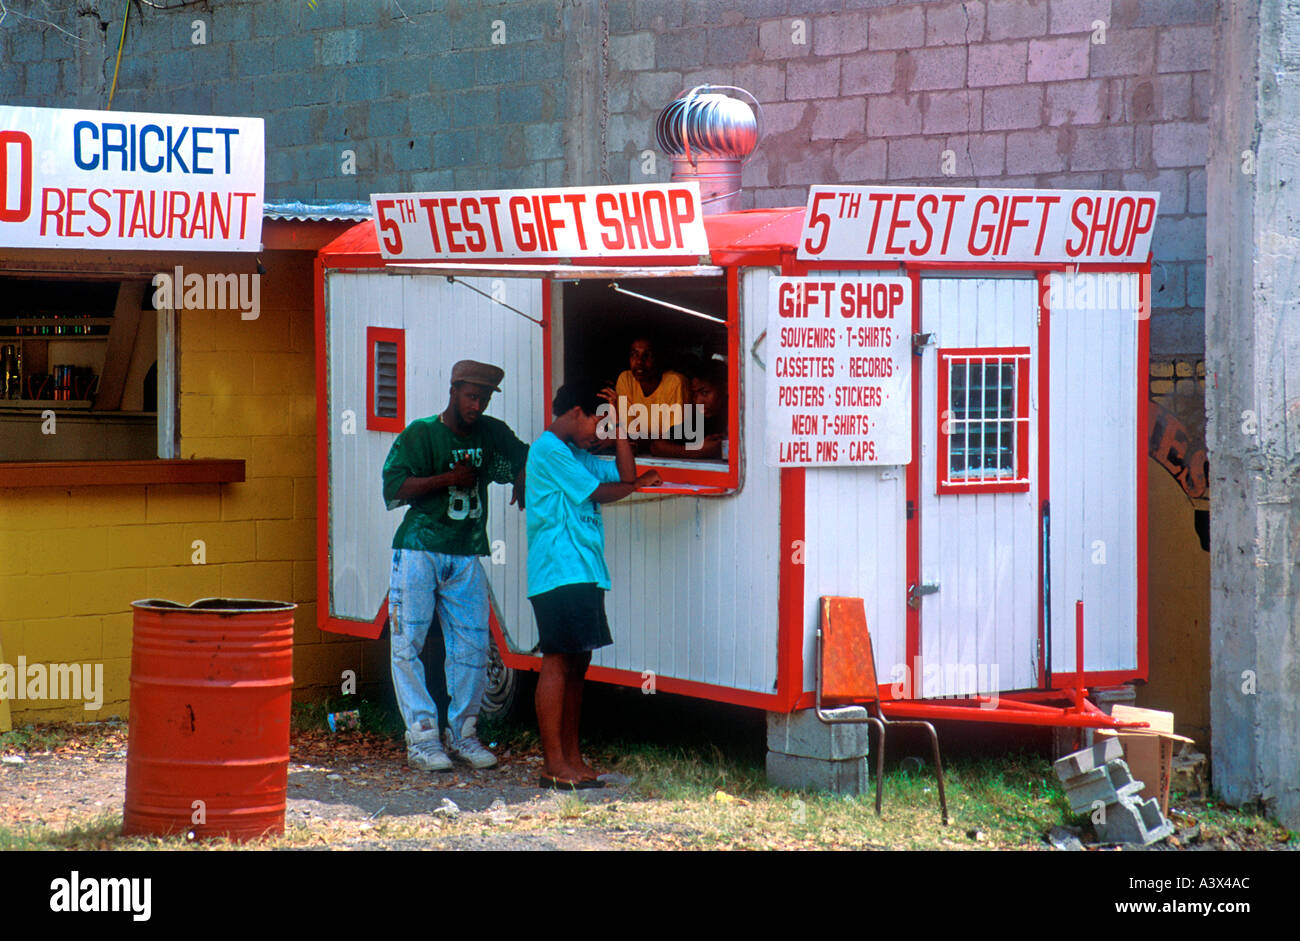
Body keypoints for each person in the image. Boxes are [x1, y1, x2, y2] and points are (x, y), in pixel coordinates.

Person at [381, 360, 528, 772]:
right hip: (418, 548)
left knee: (473, 645)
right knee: (408, 643)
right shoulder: (422, 432)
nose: (476, 405)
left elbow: (525, 455)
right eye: (470, 396)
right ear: (453, 390)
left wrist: (522, 474)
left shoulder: (491, 431)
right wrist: (446, 479)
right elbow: (393, 487)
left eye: (483, 398)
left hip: (466, 549)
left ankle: (463, 733)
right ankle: (423, 737)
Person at [525, 379, 661, 788]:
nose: (599, 434)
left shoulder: (575, 453)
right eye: (597, 424)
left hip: (584, 570)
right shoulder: (548, 450)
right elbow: (605, 490)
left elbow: (625, 472)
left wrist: (619, 429)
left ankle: (572, 757)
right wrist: (634, 487)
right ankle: (554, 763)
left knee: (578, 663)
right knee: (558, 659)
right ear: (575, 413)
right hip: (558, 570)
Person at [613, 335, 688, 452]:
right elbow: (628, 433)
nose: (639, 361)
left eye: (647, 355)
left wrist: (619, 440)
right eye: (634, 354)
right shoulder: (626, 379)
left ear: (659, 358)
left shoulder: (675, 382)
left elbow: (672, 438)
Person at [649, 360, 729, 460]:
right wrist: (698, 451)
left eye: (705, 393)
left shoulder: (741, 417)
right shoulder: (701, 421)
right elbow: (656, 446)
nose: (698, 401)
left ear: (726, 388)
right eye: (695, 395)